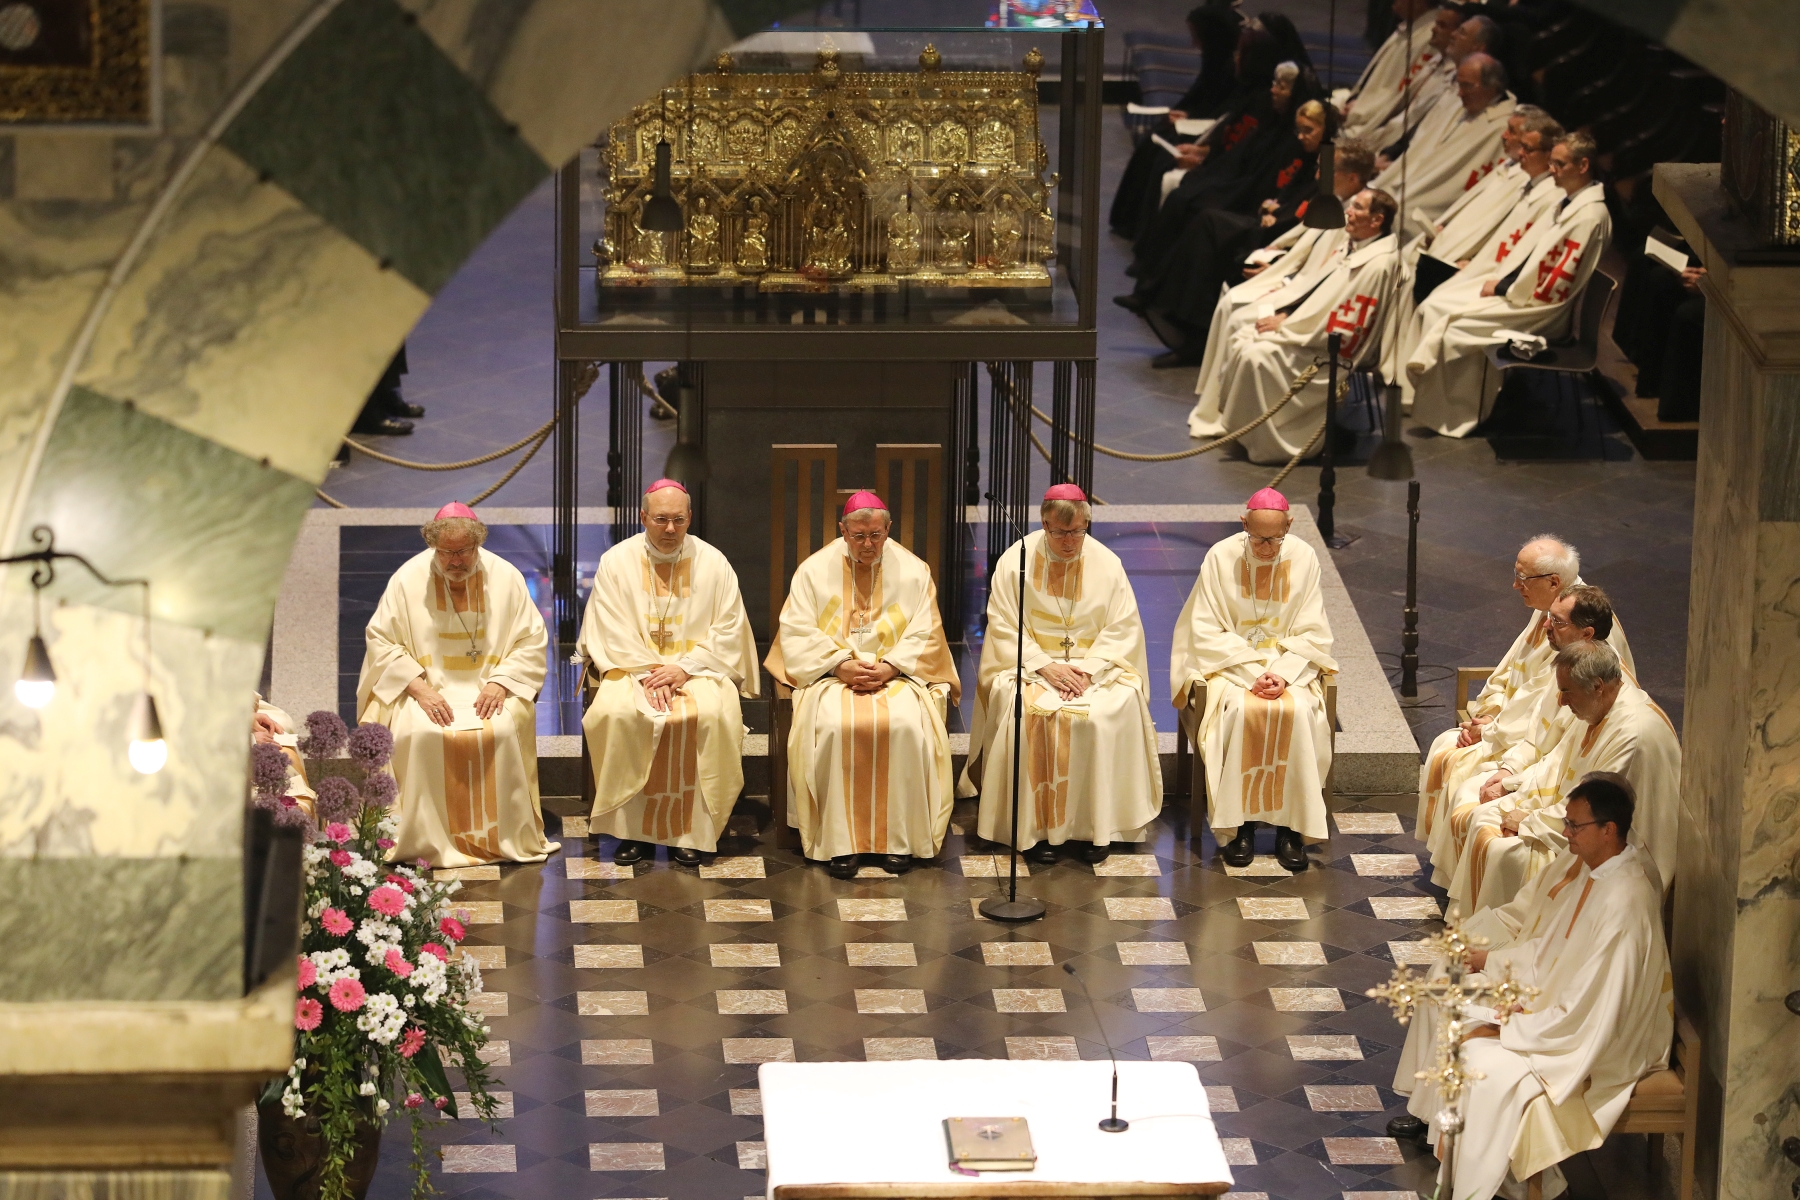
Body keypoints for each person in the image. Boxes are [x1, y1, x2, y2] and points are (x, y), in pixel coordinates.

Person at [1389, 774, 1671, 1200]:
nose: (1565, 833)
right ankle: (1490, 1177)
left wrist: (1522, 1025)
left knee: (1481, 1069)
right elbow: (1551, 952)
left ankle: (1518, 1188)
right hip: (1562, 1015)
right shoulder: (1598, 874)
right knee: (1463, 1024)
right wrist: (1509, 980)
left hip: (1598, 1042)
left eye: (1575, 826)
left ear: (1608, 830)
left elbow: (1601, 1002)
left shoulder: (1624, 899)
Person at [963, 485, 1162, 866]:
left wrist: (1087, 670)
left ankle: (1096, 828)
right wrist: (1043, 664)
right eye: (1060, 532)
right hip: (1030, 666)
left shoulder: (1107, 563)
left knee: (1100, 717)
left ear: (1087, 524)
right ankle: (1035, 830)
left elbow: (1122, 627)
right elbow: (1002, 624)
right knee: (1031, 715)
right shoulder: (1015, 560)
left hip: (1095, 668)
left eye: (1077, 532)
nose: (1069, 542)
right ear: (1044, 524)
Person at [766, 491, 961, 879]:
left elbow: (927, 631)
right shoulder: (813, 570)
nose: (867, 544)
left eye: (875, 535)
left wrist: (890, 666)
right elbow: (797, 631)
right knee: (838, 727)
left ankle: (898, 841)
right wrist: (839, 664)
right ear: (843, 530)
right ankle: (840, 843)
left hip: (898, 677)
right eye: (858, 536)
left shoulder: (913, 570)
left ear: (888, 529)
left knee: (904, 725)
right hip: (832, 679)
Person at [356, 502, 558, 868]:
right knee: (417, 732)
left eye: (463, 551)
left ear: (477, 544)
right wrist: (419, 688)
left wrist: (501, 682)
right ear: (434, 546)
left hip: (490, 687)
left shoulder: (505, 576)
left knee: (502, 728)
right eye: (446, 553)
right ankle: (424, 840)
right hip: (425, 689)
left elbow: (530, 640)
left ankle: (503, 837)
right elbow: (381, 641)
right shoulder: (408, 578)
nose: (455, 561)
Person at [1416, 538, 1632, 865]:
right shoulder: (1553, 610)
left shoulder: (1577, 625)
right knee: (1446, 750)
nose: (1515, 585)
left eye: (1522, 578)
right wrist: (1486, 714)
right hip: (1519, 731)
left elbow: (1552, 704)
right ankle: (1452, 874)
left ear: (1553, 582)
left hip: (1535, 742)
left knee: (1460, 772)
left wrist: (1492, 734)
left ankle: (1461, 885)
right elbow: (1510, 668)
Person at [579, 479, 758, 866]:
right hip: (631, 669)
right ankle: (631, 833)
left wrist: (683, 668)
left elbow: (729, 629)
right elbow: (608, 628)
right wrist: (647, 672)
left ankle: (690, 832)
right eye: (661, 519)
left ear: (690, 517)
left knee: (708, 715)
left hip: (699, 671)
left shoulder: (714, 562)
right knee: (617, 714)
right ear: (643, 517)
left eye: (679, 519)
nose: (671, 529)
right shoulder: (617, 561)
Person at [1445, 640, 1679, 913]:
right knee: (1485, 817)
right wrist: (1512, 786)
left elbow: (1595, 808)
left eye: (1567, 691)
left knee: (1504, 852)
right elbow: (1557, 763)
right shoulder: (1602, 708)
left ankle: (1510, 942)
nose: (1561, 701)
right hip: (1573, 818)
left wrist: (1529, 821)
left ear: (1598, 686)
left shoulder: (1632, 733)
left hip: (1624, 855)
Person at [1171, 488, 1336, 870]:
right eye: (1259, 539)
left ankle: (1291, 830)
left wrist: (1282, 674)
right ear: (1244, 525)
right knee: (1238, 713)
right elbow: (1206, 631)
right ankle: (1240, 826)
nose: (1267, 548)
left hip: (1290, 669)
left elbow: (1314, 632)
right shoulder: (1220, 557)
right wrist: (1252, 674)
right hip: (1231, 669)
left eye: (1276, 539)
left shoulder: (1304, 557)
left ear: (1289, 526)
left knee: (1302, 715)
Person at [1406, 132, 1611, 437]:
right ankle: (1426, 400)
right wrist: (1503, 281)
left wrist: (1504, 289)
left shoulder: (1590, 217)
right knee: (1437, 303)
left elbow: (1557, 282)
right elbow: (1536, 257)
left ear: (1583, 166)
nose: (1551, 169)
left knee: (1455, 326)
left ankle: (1460, 414)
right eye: (1552, 162)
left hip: (1542, 309)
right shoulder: (1570, 204)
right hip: (1524, 293)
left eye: (1559, 163)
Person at [1134, 105, 1359, 367]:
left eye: (1308, 130)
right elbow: (1292, 196)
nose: (1301, 136)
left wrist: (1280, 265)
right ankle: (1176, 316)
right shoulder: (1306, 155)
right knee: (1206, 224)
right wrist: (1275, 206)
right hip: (1278, 230)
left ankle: (1171, 311)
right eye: (1299, 130)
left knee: (1212, 226)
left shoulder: (1344, 205)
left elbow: (1313, 237)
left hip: (1282, 242)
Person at [1183, 142, 1378, 432]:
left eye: (1330, 169)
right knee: (1231, 299)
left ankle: (1232, 414)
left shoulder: (1353, 217)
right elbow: (1301, 245)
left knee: (1239, 315)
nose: (1320, 174)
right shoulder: (1332, 203)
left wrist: (1284, 283)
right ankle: (1215, 406)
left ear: (1352, 178)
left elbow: (1328, 273)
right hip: (1294, 281)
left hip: (1303, 296)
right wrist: (1276, 261)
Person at [1208, 188, 1403, 464]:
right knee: (1244, 337)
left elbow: (1349, 324)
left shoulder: (1379, 264)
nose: (1348, 211)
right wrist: (1287, 315)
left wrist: (1287, 328)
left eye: (1357, 207)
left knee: (1256, 356)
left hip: (1327, 347)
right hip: (1308, 331)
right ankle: (1247, 433)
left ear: (1376, 220)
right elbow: (1319, 294)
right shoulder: (1355, 246)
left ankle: (1274, 444)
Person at [1379, 107, 1563, 384]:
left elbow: (1524, 249)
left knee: (1431, 299)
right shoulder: (1520, 177)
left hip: (1500, 279)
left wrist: (1477, 263)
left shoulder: (1550, 195)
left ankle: (1415, 383)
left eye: (1525, 144)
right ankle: (1396, 367)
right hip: (1483, 266)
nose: (1515, 146)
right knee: (1410, 271)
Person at [1108, 5, 1243, 237]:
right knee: (1154, 139)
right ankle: (1128, 221)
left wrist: (1193, 117)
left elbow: (1228, 106)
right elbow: (1200, 95)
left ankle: (1142, 228)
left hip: (1210, 128)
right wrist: (1183, 112)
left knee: (1161, 154)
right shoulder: (1214, 57)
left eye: (1196, 36)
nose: (1194, 43)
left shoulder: (1231, 66)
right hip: (1199, 119)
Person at [1368, 53, 1516, 241]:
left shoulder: (1503, 128)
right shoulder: (1460, 105)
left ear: (1492, 87)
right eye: (1459, 84)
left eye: (1467, 86)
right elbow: (1421, 147)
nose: (1460, 93)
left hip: (1435, 208)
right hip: (1410, 185)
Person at [1336, 0, 1440, 139]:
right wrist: (1356, 99)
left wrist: (1359, 108)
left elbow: (1398, 95)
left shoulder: (1430, 35)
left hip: (1379, 118)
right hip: (1364, 104)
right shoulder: (1409, 25)